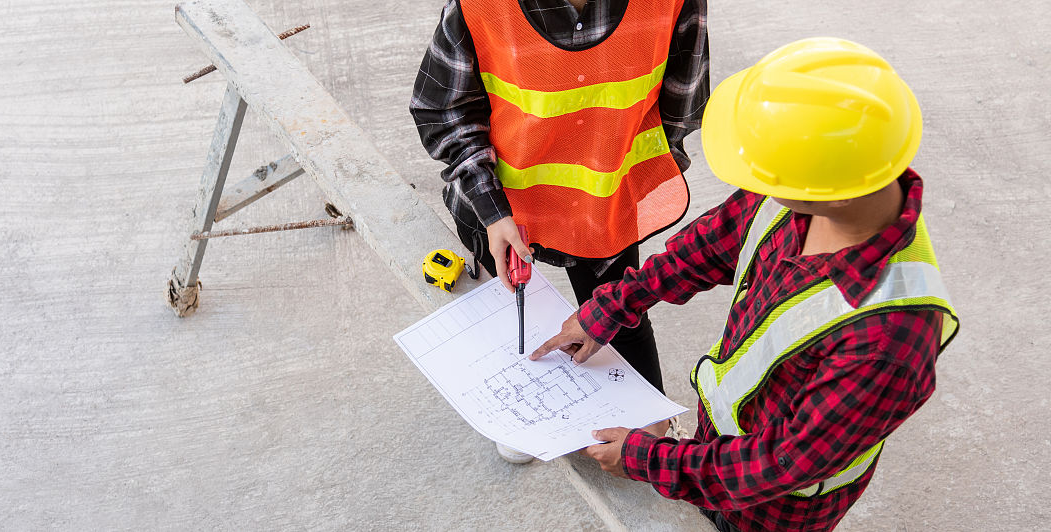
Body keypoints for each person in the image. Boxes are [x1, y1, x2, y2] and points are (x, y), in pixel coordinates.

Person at [530, 38, 960, 531]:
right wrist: (611, 307)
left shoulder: (890, 338)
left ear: (829, 192)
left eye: (771, 175)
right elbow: (708, 246)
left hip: (773, 511)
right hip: (717, 450)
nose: (759, 184)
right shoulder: (813, 182)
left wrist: (650, 459)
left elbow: (783, 463)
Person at [410, 0, 709, 463]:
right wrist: (489, 207)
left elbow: (680, 106)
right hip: (504, 206)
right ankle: (526, 418)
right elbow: (442, 109)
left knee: (615, 315)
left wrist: (620, 177)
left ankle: (645, 423)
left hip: (602, 201)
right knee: (515, 311)